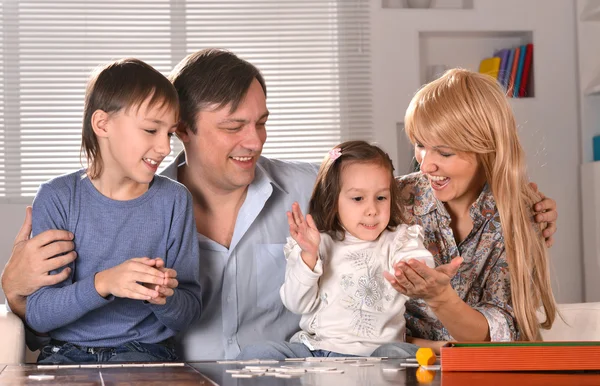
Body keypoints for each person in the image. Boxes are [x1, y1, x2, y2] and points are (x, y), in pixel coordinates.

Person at [0, 50, 559, 361]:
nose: (254, 140)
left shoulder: (313, 190)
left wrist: (515, 196)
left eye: (262, 123)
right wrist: (14, 288)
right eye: (233, 126)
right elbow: (54, 312)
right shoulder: (143, 203)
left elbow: (395, 190)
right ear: (184, 131)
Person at [24, 58, 203, 363]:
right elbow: (39, 315)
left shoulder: (175, 200)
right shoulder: (57, 197)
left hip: (147, 354)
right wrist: (104, 283)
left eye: (170, 133)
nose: (165, 148)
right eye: (151, 130)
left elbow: (187, 313)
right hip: (66, 355)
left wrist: (163, 298)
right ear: (102, 124)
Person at [374, 68, 557, 357]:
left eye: (444, 153)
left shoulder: (519, 217)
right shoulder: (393, 201)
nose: (426, 165)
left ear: (487, 149)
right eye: (420, 145)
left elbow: (501, 334)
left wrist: (440, 299)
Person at [238, 141, 434, 360]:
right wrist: (308, 258)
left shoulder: (399, 240)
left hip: (377, 354)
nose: (372, 210)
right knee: (256, 353)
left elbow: (420, 262)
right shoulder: (316, 243)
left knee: (404, 353)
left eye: (381, 197)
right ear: (332, 201)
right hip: (316, 350)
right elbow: (296, 303)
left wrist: (415, 269)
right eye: (358, 198)